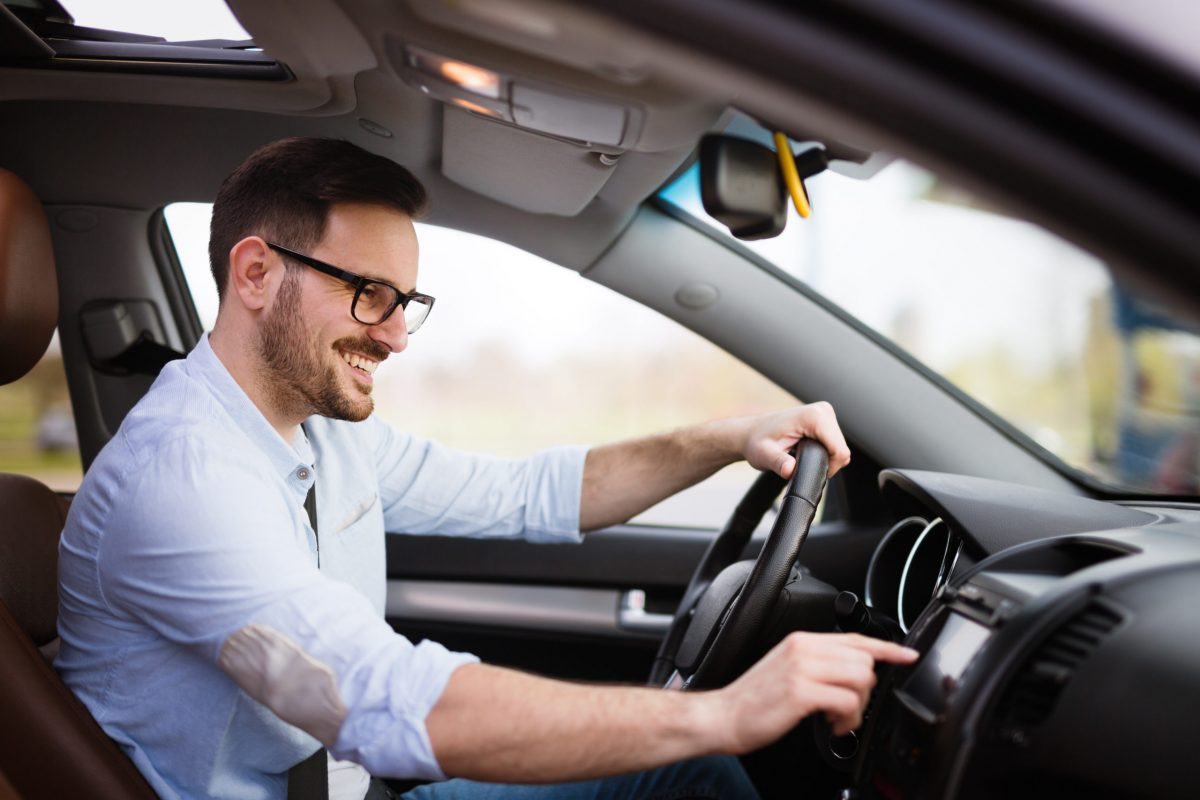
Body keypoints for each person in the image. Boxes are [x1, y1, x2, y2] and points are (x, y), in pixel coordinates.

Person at [55, 137, 916, 800]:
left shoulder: (323, 432)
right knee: (703, 766)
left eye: (407, 304)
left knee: (698, 780)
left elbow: (530, 494)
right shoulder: (181, 481)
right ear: (255, 273)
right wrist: (725, 711)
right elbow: (380, 697)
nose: (394, 335)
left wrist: (728, 439)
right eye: (371, 295)